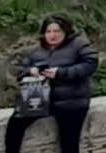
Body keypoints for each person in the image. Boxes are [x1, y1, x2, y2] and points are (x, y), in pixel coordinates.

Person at [6, 16, 99, 153]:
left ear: (65, 32)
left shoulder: (78, 45)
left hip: (71, 100)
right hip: (41, 99)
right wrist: (30, 71)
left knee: (69, 143)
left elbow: (90, 64)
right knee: (16, 123)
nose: (52, 35)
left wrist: (61, 73)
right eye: (48, 31)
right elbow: (19, 71)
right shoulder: (37, 51)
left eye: (56, 31)